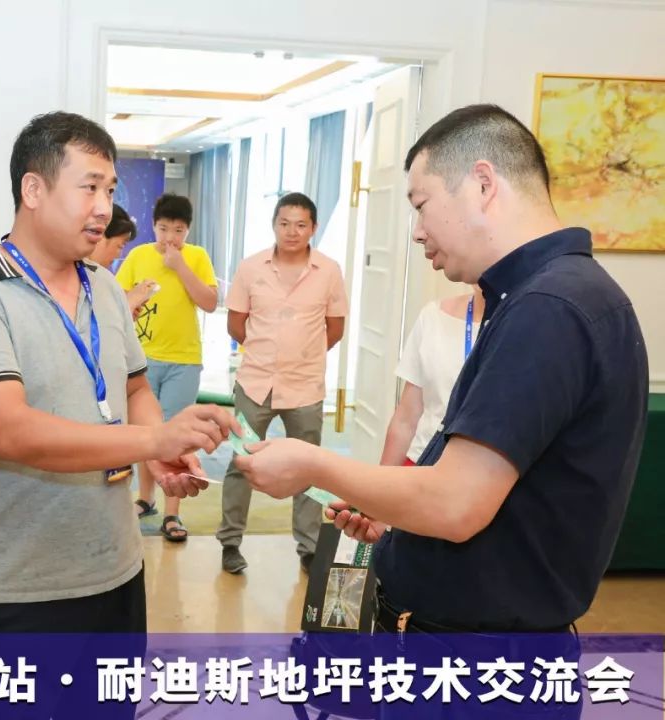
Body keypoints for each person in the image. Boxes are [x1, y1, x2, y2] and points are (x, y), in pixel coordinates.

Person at [236, 104, 648, 636]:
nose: (417, 232)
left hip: (474, 650)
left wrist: (312, 463)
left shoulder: (547, 308)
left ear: (483, 184)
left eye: (421, 205)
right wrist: (393, 512)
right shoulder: (562, 293)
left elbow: (457, 505)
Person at [0, 111, 234, 637]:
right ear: (33, 189)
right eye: (89, 187)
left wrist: (157, 449)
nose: (104, 208)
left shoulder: (106, 287)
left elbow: (135, 388)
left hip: (117, 570)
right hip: (15, 588)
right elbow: (10, 432)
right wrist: (152, 439)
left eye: (110, 190)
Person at [217, 192, 348, 574]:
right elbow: (236, 324)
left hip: (305, 387)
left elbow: (335, 328)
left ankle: (309, 547)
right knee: (241, 462)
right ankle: (230, 543)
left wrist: (301, 354)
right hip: (255, 383)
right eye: (285, 223)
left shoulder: (329, 270)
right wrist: (267, 351)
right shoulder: (251, 267)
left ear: (313, 228)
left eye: (301, 224)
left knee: (308, 468)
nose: (292, 231)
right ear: (274, 224)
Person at [116, 193, 218, 542]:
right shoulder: (138, 255)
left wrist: (180, 266)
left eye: (178, 230)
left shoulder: (197, 256)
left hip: (184, 360)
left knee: (178, 434)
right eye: (163, 229)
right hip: (141, 359)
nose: (170, 237)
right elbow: (118, 300)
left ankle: (173, 513)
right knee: (148, 433)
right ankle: (146, 499)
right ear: (153, 226)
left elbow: (209, 302)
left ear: (188, 230)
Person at [380, 284, 483, 466]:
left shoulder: (528, 324)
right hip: (423, 460)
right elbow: (406, 419)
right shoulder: (433, 316)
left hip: (486, 472)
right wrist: (382, 481)